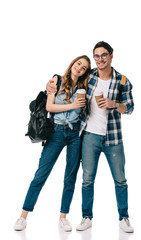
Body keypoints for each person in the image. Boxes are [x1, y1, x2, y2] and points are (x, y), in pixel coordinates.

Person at [47, 41, 134, 233]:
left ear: (111, 56)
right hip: (89, 136)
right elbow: (69, 78)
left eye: (104, 55)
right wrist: (51, 82)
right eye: (96, 56)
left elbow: (130, 107)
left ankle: (124, 217)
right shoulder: (90, 75)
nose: (100, 59)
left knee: (120, 179)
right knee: (87, 180)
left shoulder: (122, 81)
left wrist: (114, 104)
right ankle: (87, 216)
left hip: (113, 139)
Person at [14, 55, 91, 232]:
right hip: (56, 132)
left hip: (75, 134)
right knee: (41, 174)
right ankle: (23, 216)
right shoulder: (57, 80)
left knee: (70, 177)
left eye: (84, 67)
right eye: (78, 63)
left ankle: (63, 217)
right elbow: (50, 107)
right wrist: (72, 105)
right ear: (73, 63)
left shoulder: (83, 87)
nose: (79, 68)